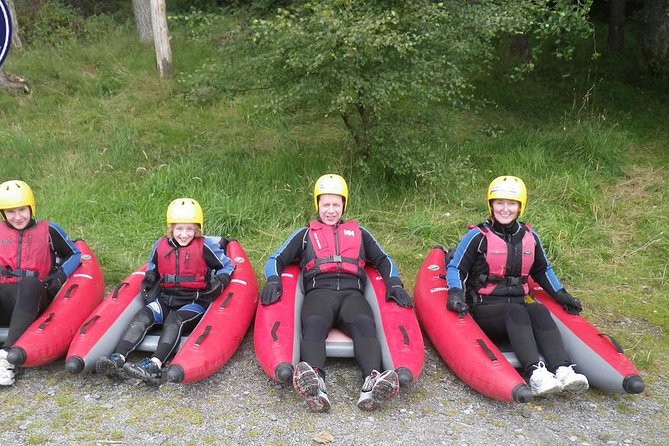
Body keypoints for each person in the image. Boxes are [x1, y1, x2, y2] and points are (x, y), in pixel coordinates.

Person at [260, 174, 413, 412]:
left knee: (364, 323)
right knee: (313, 322)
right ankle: (315, 381)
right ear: (317, 205)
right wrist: (272, 279)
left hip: (352, 294)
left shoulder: (360, 232)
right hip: (319, 292)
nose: (331, 211)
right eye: (326, 205)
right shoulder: (305, 234)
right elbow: (275, 259)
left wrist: (393, 283)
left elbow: (384, 259)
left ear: (344, 205)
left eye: (336, 205)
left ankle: (371, 382)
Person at [446, 175, 589, 397]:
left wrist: (561, 295)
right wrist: (455, 292)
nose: (505, 209)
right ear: (491, 205)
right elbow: (456, 268)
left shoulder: (530, 236)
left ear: (520, 206)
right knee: (516, 311)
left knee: (538, 310)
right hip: (485, 308)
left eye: (511, 204)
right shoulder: (477, 236)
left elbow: (543, 270)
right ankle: (535, 374)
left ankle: (562, 369)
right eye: (499, 203)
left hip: (517, 304)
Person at [96, 198, 234, 385]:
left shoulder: (205, 246)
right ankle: (118, 358)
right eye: (179, 229)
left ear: (197, 229)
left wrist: (222, 280)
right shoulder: (160, 244)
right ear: (171, 228)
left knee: (174, 320)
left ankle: (155, 365)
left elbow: (227, 266)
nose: (184, 234)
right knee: (143, 315)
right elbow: (153, 264)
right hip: (165, 299)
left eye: (189, 229)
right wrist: (150, 276)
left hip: (193, 302)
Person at [0, 180, 81, 386]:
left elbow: (75, 254)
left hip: (34, 297)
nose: (17, 217)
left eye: (22, 210)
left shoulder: (49, 230)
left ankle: (6, 357)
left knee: (30, 283)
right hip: (5, 297)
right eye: (10, 212)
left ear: (31, 208)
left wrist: (59, 276)